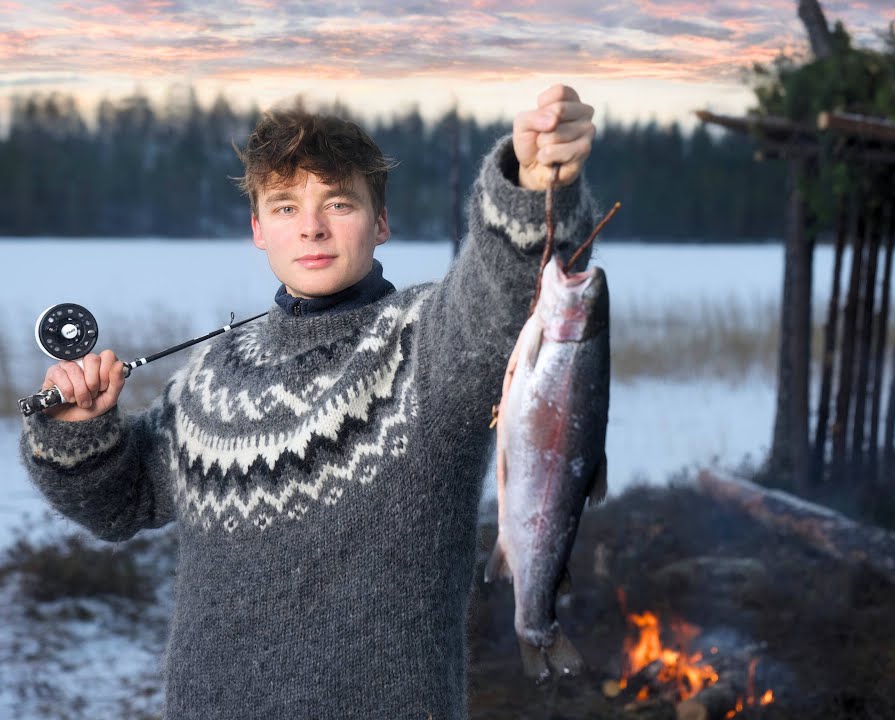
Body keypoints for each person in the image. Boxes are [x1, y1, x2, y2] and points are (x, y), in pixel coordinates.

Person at [19, 84, 599, 719]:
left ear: (380, 222)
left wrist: (534, 182)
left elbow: (502, 296)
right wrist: (78, 433)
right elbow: (120, 504)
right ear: (258, 229)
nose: (312, 227)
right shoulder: (215, 372)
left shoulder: (423, 344)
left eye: (339, 202)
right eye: (286, 206)